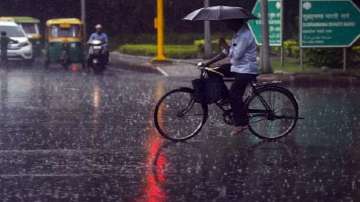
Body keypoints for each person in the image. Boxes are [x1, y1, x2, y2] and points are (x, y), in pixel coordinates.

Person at [200, 19, 258, 132]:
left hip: (246, 70)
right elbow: (226, 53)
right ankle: (226, 97)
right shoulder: (238, 34)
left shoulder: (245, 36)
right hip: (237, 67)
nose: (228, 25)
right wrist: (207, 64)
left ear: (237, 22)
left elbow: (235, 55)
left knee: (235, 95)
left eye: (229, 23)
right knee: (212, 72)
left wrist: (226, 46)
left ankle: (242, 123)